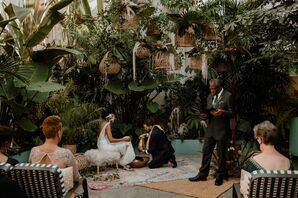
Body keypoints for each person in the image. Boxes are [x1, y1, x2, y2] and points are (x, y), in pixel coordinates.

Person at [189, 78, 233, 186]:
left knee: (221, 155)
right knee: (206, 152)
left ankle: (220, 176)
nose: (211, 90)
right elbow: (209, 111)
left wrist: (222, 112)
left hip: (222, 130)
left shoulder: (228, 96)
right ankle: (202, 174)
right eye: (210, 88)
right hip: (210, 129)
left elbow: (232, 113)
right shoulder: (209, 96)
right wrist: (204, 116)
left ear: (219, 88)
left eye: (213, 89)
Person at [238, 120, 293, 197]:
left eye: (257, 138)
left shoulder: (252, 163)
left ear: (260, 139)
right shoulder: (289, 162)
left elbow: (244, 190)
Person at [29, 115, 81, 188]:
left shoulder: (34, 151)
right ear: (58, 133)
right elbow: (76, 178)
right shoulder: (66, 154)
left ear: (44, 132)